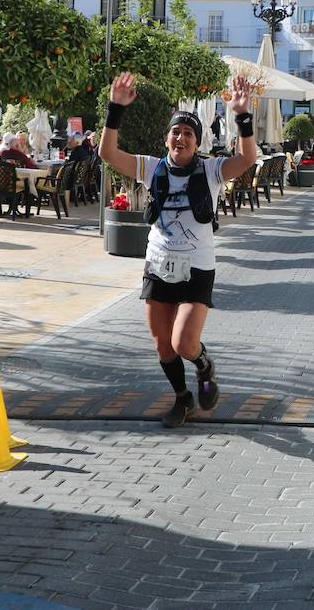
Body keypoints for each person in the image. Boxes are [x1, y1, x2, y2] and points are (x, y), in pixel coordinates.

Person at [98, 71, 258, 429]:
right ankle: (182, 399)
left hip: (197, 266)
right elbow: (107, 152)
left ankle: (204, 365)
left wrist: (242, 116)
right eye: (175, 131)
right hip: (158, 264)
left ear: (196, 142)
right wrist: (115, 109)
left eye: (188, 133)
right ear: (167, 139)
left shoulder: (212, 170)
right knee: (163, 347)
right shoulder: (151, 167)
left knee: (185, 342)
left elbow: (247, 159)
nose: (180, 137)